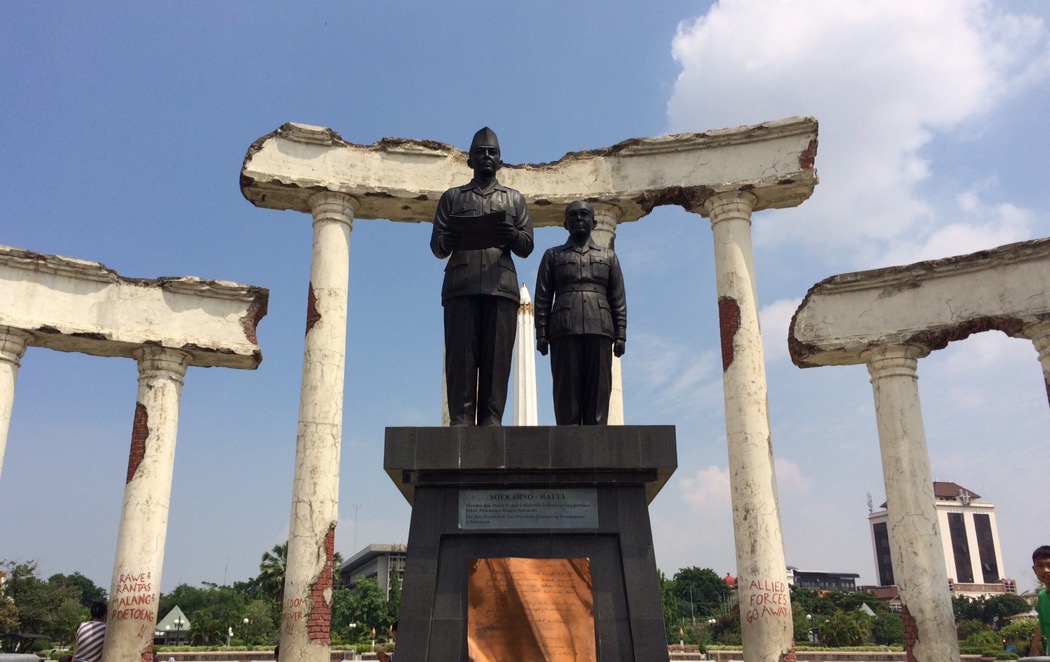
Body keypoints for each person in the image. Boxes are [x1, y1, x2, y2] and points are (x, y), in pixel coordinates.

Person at [431, 127, 533, 426]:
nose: (486, 157)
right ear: (469, 160)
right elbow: (436, 245)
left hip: (501, 286)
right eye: (480, 152)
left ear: (500, 161)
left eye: (492, 152)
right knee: (460, 357)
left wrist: (513, 234)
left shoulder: (514, 199)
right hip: (460, 285)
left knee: (497, 359)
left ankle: (492, 419)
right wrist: (449, 239)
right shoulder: (452, 198)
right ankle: (460, 420)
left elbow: (526, 246)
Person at [534, 201, 626, 425]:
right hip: (564, 327)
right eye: (573, 215)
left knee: (599, 389)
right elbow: (543, 297)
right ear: (565, 223)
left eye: (584, 214)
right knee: (567, 389)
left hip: (601, 326)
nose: (578, 218)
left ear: (594, 221)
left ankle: (597, 438)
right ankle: (568, 434)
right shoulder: (552, 255)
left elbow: (618, 298)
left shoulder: (609, 257)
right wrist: (541, 333)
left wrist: (621, 334)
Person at [1032, 545, 1050, 657]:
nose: (1046, 570)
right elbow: (1042, 622)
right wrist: (1034, 646)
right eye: (1040, 565)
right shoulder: (1042, 596)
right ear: (1034, 570)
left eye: (1049, 565)